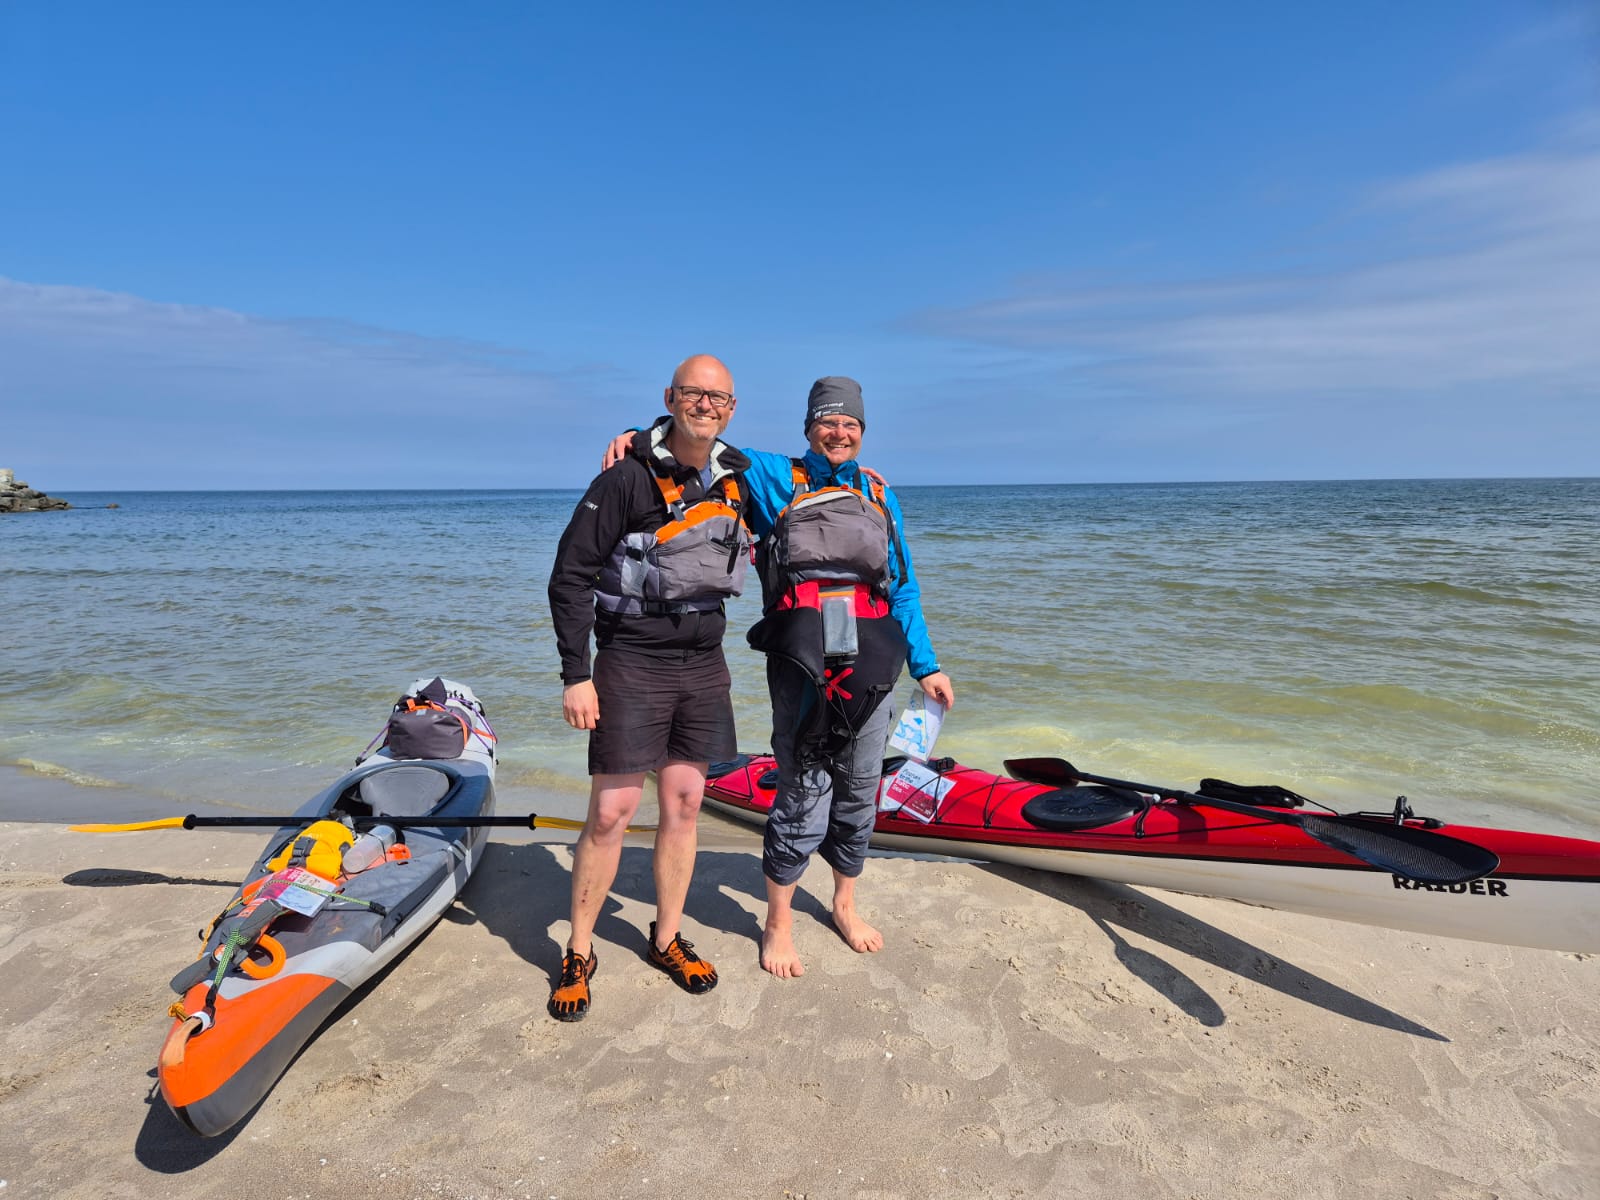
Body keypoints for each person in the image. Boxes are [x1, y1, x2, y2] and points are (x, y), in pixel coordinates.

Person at [604, 376, 954, 979]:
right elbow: (702, 444)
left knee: (861, 783)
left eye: (850, 424)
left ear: (863, 432)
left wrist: (926, 665)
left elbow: (903, 586)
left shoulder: (877, 493)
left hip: (873, 660)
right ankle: (779, 921)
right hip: (803, 661)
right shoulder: (773, 477)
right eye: (827, 422)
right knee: (802, 784)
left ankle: (845, 903)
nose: (838, 432)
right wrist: (641, 437)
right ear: (809, 427)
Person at [546, 354, 752, 1020]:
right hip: (631, 657)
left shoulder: (738, 478)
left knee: (686, 804)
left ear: (731, 407)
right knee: (611, 812)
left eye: (717, 397)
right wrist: (576, 674)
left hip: (704, 660)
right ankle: (578, 949)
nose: (705, 405)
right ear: (672, 397)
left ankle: (665, 937)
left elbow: (813, 485)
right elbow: (569, 578)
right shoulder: (626, 476)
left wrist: (859, 478)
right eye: (693, 394)